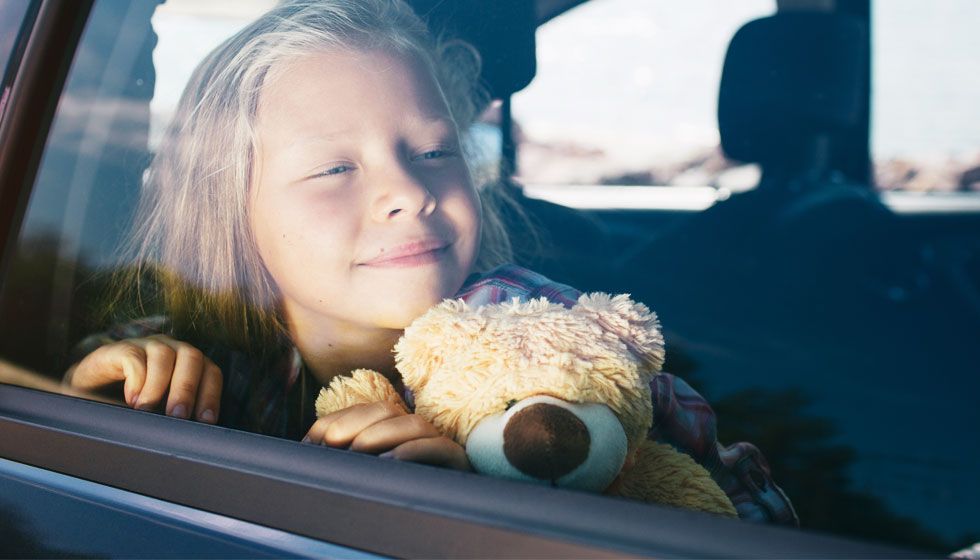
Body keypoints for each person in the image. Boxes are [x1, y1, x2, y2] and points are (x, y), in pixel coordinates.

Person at [63, 0, 796, 525]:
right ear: (228, 208)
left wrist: (491, 499)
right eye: (333, 169)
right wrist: (96, 391)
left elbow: (743, 515)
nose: (409, 192)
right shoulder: (208, 351)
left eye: (435, 151)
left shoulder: (559, 351)